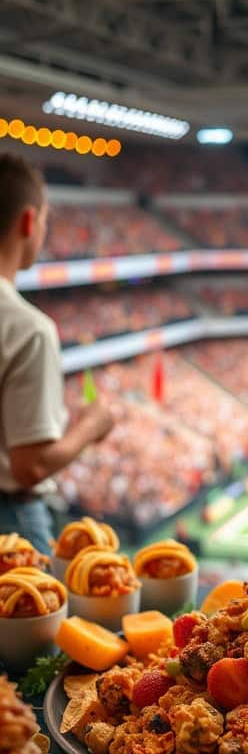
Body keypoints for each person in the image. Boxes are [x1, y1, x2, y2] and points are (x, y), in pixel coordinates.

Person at [0, 154, 115, 554]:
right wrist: (92, 425)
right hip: (10, 520)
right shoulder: (27, 328)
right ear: (29, 222)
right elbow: (28, 466)